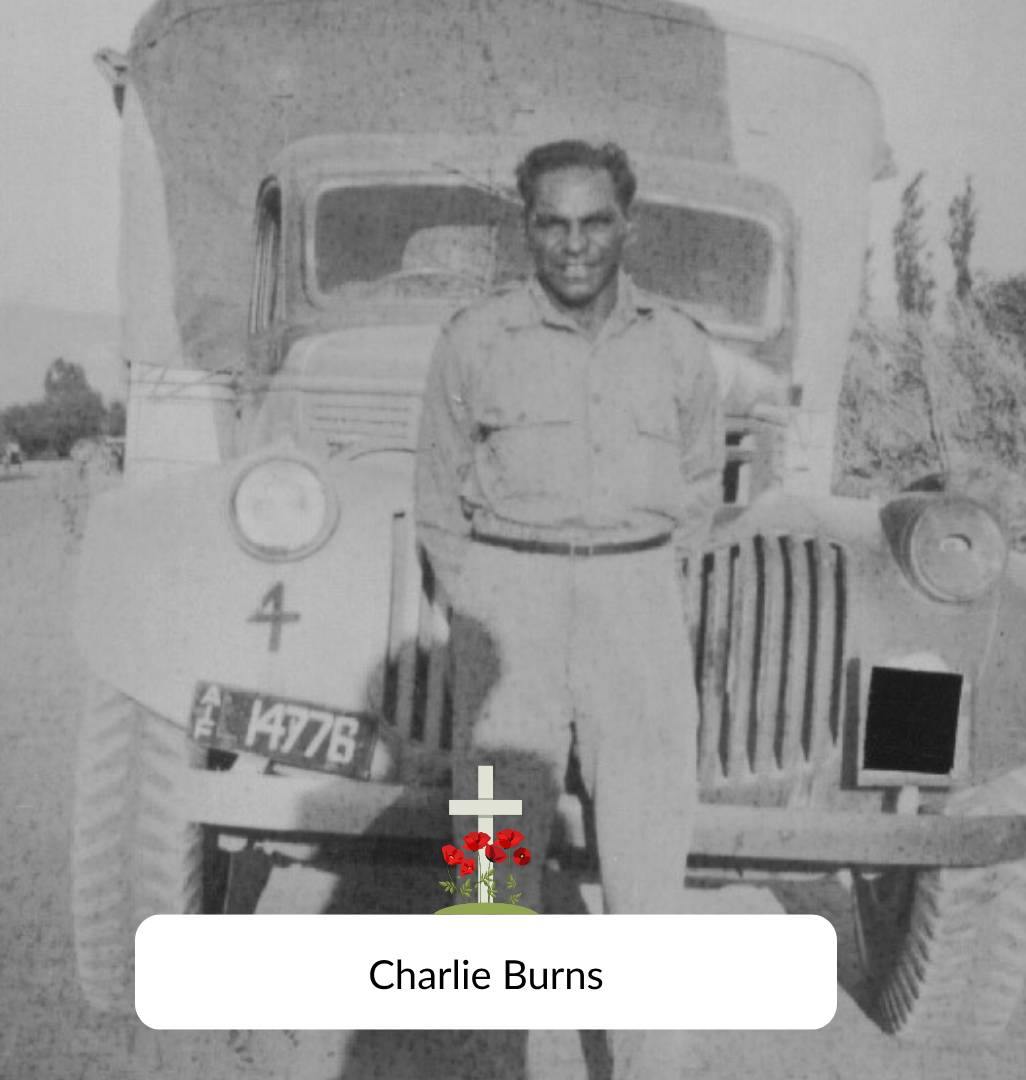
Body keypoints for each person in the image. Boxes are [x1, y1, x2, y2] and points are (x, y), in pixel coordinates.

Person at [414, 140, 723, 1075]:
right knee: (492, 855)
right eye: (552, 224)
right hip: (511, 605)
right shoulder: (476, 340)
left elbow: (699, 488)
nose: (574, 244)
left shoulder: (679, 345)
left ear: (629, 225)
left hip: (636, 606)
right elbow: (437, 495)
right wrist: (484, 597)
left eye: (594, 223)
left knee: (647, 867)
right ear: (527, 228)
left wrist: (647, 587)